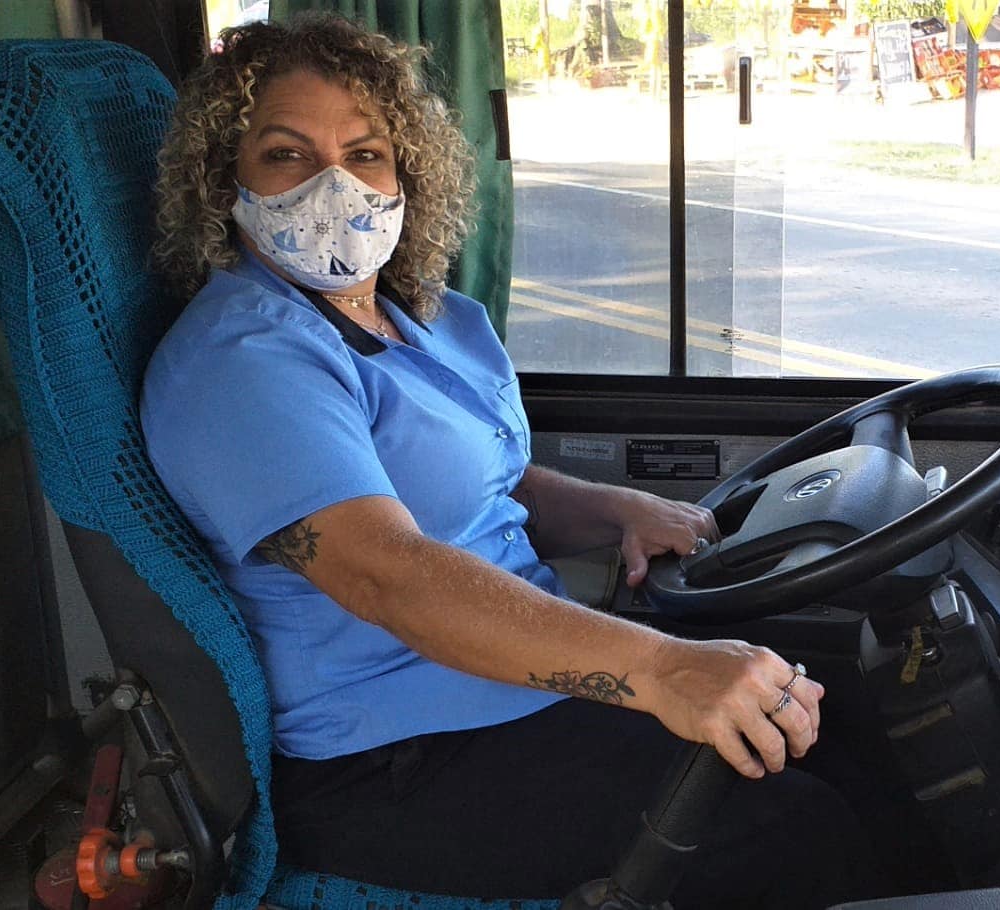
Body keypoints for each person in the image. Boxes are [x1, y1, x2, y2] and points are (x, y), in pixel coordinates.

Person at [141, 14, 879, 908]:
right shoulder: (244, 360)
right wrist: (660, 669)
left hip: (513, 684)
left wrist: (613, 509)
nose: (334, 186)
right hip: (394, 758)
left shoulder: (423, 319)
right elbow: (389, 576)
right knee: (796, 830)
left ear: (407, 176)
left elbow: (485, 479)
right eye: (287, 155)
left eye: (365, 154)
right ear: (226, 182)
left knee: (853, 730)